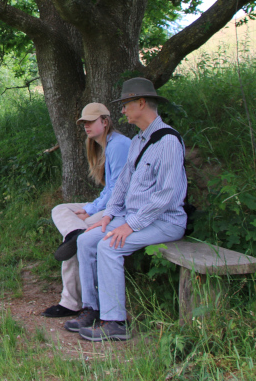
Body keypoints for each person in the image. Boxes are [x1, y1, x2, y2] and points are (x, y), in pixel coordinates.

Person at [64, 78, 187, 342]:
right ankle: (92, 308)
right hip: (135, 218)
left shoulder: (168, 142)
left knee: (109, 245)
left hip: (165, 221)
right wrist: (109, 216)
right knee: (86, 240)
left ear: (141, 103)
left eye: (126, 104)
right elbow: (122, 185)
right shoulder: (139, 141)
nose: (122, 110)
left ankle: (115, 321)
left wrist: (129, 225)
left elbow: (166, 195)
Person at [41, 103, 130, 318]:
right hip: (107, 205)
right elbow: (110, 189)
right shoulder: (104, 145)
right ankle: (73, 233)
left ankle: (71, 302)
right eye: (84, 123)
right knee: (61, 210)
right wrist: (90, 209)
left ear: (105, 121)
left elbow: (119, 191)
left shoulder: (118, 145)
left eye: (91, 121)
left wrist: (90, 211)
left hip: (120, 210)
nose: (87, 126)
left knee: (79, 237)